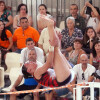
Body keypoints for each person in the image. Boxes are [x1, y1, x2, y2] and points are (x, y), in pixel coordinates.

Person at [23, 15, 75, 87]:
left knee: (56, 48)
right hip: (63, 78)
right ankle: (50, 25)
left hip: (66, 75)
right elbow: (49, 64)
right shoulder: (36, 73)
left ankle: (50, 25)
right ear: (29, 70)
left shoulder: (38, 68)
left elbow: (55, 58)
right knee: (54, 48)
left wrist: (57, 42)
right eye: (28, 63)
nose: (30, 61)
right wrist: (51, 47)